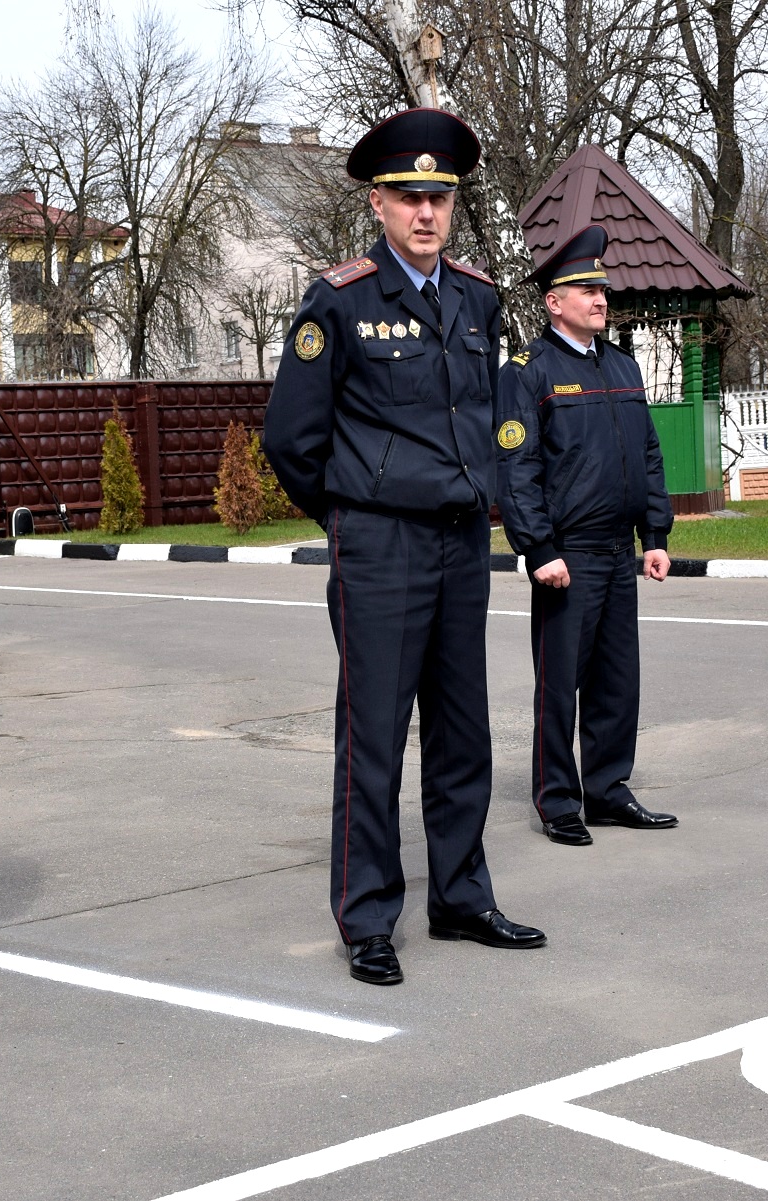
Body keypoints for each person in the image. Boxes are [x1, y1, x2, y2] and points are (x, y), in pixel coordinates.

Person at [264, 108, 546, 987]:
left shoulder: (477, 298)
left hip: (463, 541)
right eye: (407, 196)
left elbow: (482, 417)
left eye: (440, 197)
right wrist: (351, 513)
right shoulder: (341, 300)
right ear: (377, 203)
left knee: (465, 733)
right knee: (375, 736)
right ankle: (368, 916)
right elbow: (291, 440)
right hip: (379, 545)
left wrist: (488, 495)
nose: (426, 212)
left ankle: (461, 896)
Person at [493, 224, 678, 848]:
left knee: (616, 680)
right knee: (561, 682)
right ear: (554, 302)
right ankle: (557, 800)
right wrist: (538, 549)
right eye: (584, 290)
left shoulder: (623, 367)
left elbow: (648, 456)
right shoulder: (527, 372)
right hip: (566, 556)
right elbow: (517, 469)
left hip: (617, 551)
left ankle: (607, 790)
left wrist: (654, 534)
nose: (600, 299)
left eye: (602, 289)